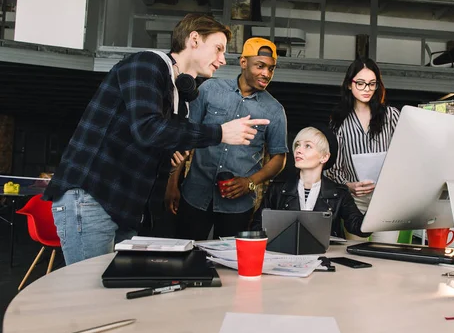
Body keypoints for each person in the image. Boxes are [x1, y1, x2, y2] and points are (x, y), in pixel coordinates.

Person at [44, 14, 270, 265]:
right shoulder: (146, 64)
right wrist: (220, 133)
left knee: (108, 299)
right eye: (218, 49)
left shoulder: (180, 101)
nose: (222, 59)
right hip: (92, 197)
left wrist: (170, 159)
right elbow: (148, 129)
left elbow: (151, 143)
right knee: (89, 297)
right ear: (194, 39)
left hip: (125, 208)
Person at [166, 37, 288, 240]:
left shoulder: (274, 110)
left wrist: (250, 182)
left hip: (237, 206)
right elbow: (186, 136)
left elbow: (279, 158)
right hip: (195, 194)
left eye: (271, 68)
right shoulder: (209, 90)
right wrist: (172, 184)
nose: (266, 74)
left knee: (230, 266)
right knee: (184, 256)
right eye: (260, 66)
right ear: (243, 62)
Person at [325, 57, 400, 241]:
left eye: (371, 84)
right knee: (355, 253)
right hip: (355, 199)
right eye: (360, 83)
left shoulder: (390, 115)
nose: (366, 89)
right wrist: (348, 186)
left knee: (386, 256)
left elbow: (405, 153)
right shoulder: (338, 120)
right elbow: (332, 166)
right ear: (349, 85)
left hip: (386, 198)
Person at [251, 126, 368, 238]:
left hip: (327, 255)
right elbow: (257, 226)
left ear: (324, 157)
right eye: (297, 145)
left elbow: (359, 227)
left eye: (307, 146)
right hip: (285, 254)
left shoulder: (339, 193)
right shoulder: (277, 189)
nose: (298, 150)